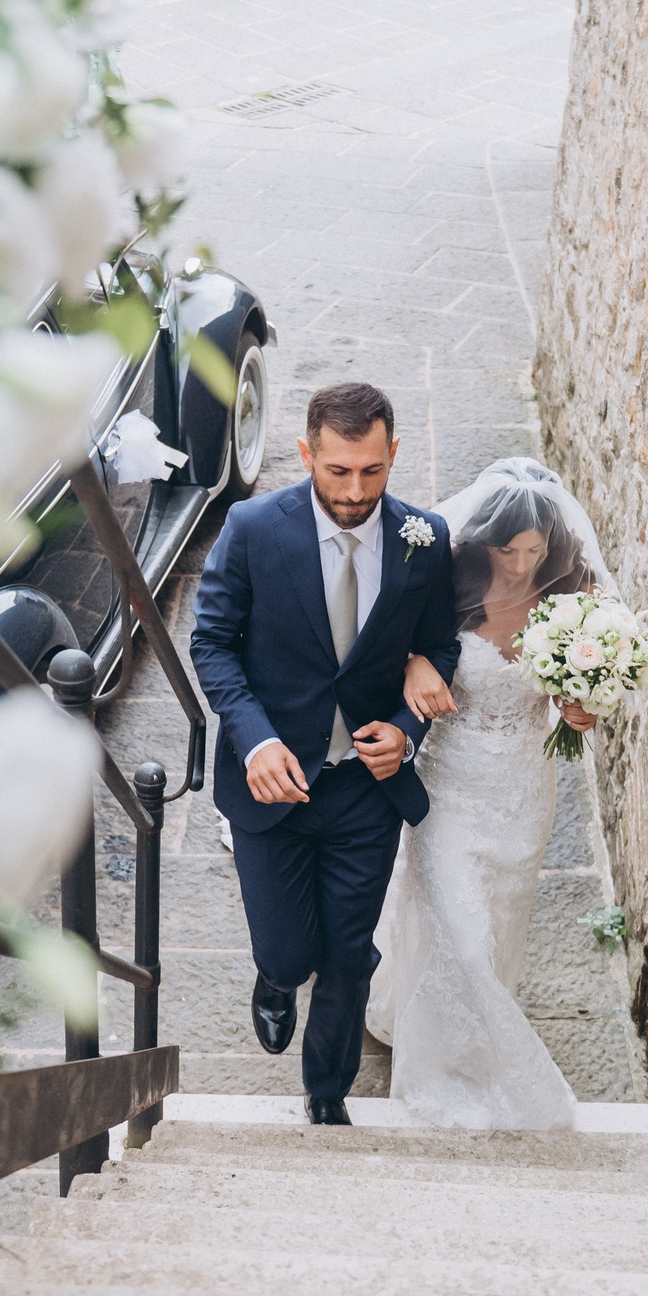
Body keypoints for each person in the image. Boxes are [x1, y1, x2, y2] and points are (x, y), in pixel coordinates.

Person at [189, 383, 460, 1125]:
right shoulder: (251, 529)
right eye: (337, 470)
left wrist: (407, 726)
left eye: (371, 471)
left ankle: (327, 1092)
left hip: (365, 791)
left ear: (393, 455)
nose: (354, 490)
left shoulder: (425, 540)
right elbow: (211, 644)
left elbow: (439, 645)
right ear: (307, 452)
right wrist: (255, 736)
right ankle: (274, 978)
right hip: (271, 785)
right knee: (287, 949)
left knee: (348, 951)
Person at [363, 459, 609, 1129]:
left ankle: (467, 1020)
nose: (522, 565)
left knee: (498, 917)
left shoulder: (572, 596)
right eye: (510, 550)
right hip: (449, 784)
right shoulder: (447, 583)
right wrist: (414, 663)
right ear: (485, 542)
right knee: (459, 929)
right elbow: (385, 648)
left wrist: (580, 707)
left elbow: (575, 695)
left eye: (535, 552)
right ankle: (461, 1069)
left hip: (524, 787)